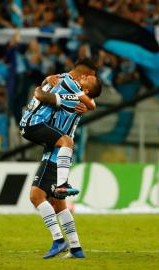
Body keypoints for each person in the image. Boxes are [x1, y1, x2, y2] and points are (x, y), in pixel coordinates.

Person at [20, 58, 97, 198]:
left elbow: (42, 92)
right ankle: (62, 184)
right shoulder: (70, 85)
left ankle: (62, 186)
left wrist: (42, 84)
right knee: (67, 141)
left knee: (51, 202)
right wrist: (40, 88)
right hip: (37, 127)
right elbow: (91, 103)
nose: (93, 78)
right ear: (86, 74)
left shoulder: (60, 79)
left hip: (44, 139)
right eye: (93, 76)